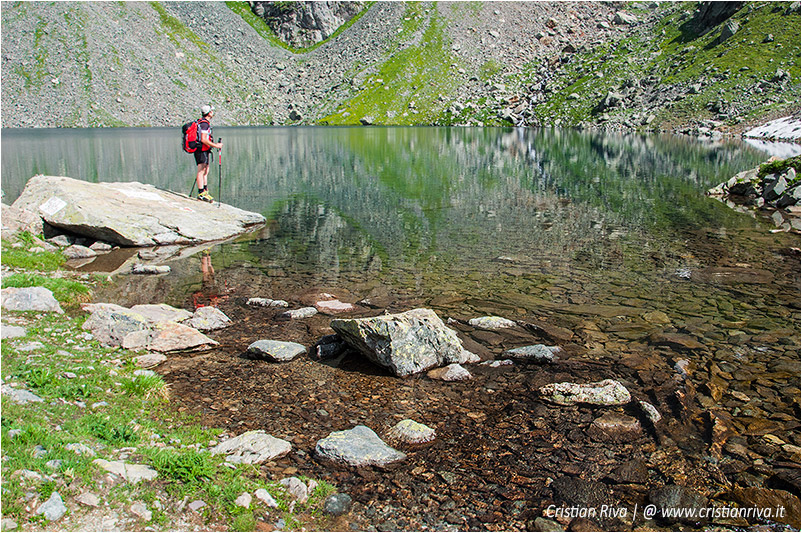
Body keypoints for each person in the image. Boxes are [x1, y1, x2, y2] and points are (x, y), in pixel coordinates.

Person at [194, 104, 223, 203]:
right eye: (212, 111)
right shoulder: (204, 124)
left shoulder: (203, 122)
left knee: (205, 171)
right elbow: (203, 139)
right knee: (201, 170)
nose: (213, 113)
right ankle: (201, 193)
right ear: (209, 113)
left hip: (204, 150)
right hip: (201, 149)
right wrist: (216, 145)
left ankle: (205, 191)